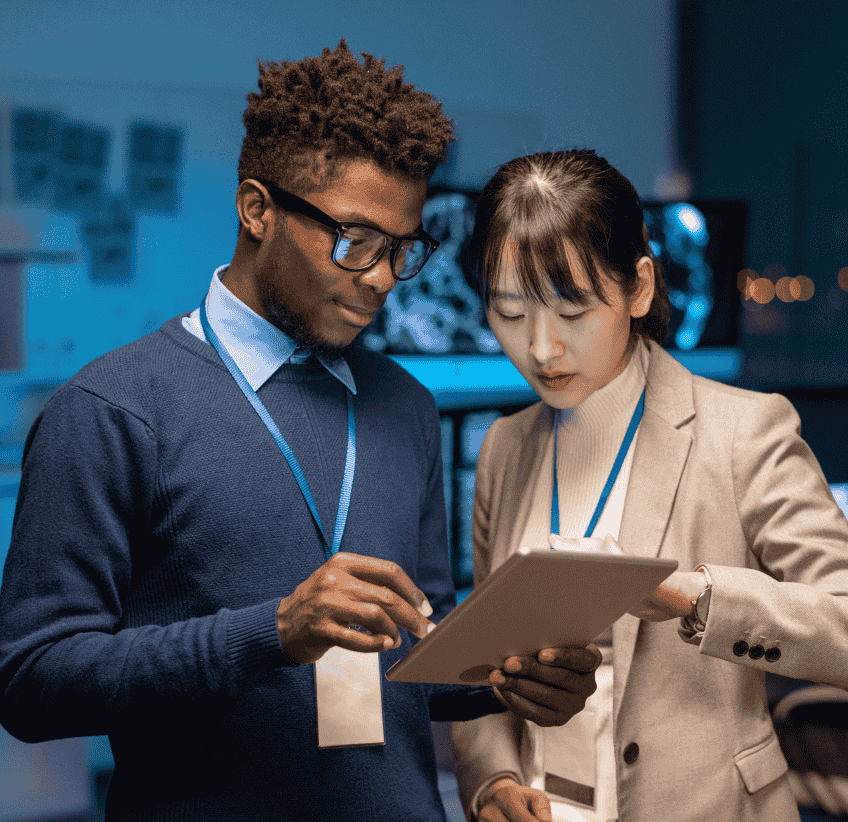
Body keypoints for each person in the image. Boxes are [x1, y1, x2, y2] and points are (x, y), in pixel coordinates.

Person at [0, 46, 600, 821]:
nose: (381, 277)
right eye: (355, 239)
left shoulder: (407, 407)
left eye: (403, 249)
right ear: (258, 210)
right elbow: (32, 682)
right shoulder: (111, 409)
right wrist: (274, 632)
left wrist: (507, 676)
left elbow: (416, 648)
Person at [450, 149, 848, 822]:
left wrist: (692, 595)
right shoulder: (504, 447)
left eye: (571, 311)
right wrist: (493, 781)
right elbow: (487, 666)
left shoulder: (743, 431)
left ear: (638, 287)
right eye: (510, 314)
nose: (541, 349)